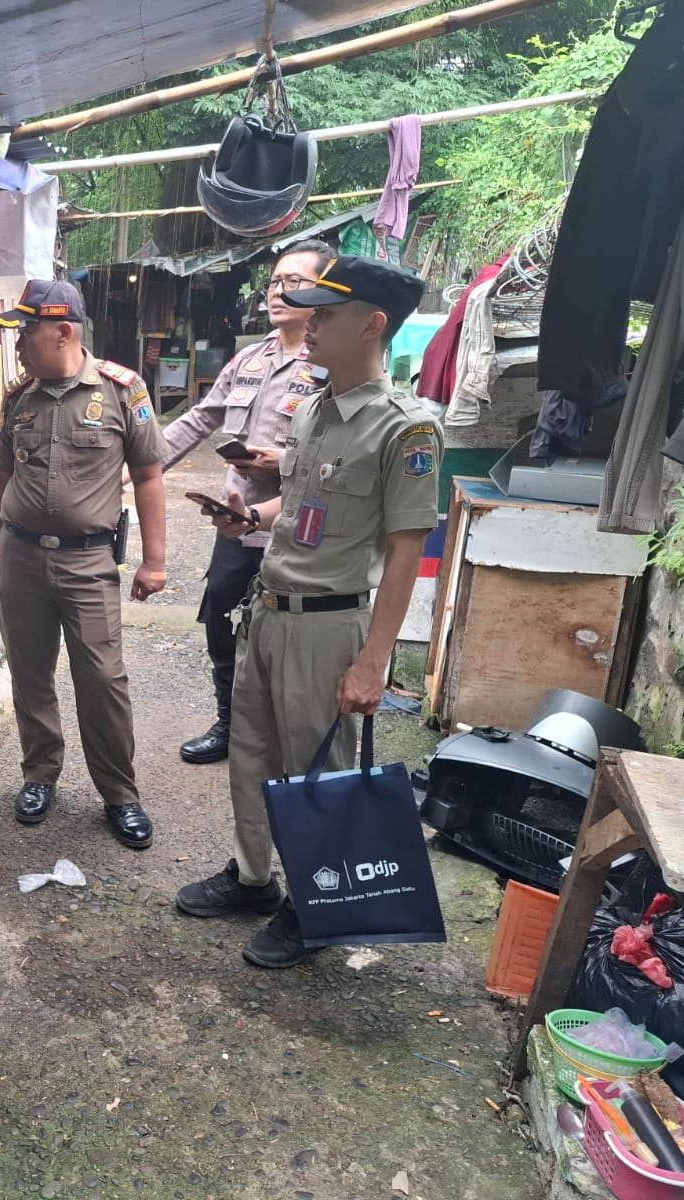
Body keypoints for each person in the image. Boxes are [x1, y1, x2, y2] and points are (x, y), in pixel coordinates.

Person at [174, 256, 441, 970]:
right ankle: (252, 877)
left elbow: (406, 551)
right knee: (253, 755)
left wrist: (373, 663)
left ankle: (313, 903)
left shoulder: (404, 429)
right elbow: (300, 507)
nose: (310, 324)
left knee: (317, 772)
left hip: (328, 625)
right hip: (267, 608)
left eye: (325, 314)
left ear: (372, 325)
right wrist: (248, 517)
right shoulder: (316, 406)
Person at [0, 280, 169, 849]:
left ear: (62, 332)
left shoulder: (122, 390)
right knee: (30, 672)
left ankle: (120, 793)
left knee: (102, 679)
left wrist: (154, 562)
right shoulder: (18, 396)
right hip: (21, 557)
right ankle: (39, 774)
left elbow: (149, 475)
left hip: (88, 563)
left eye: (26, 332)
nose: (18, 345)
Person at [161, 240, 333, 765]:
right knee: (221, 617)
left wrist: (282, 462)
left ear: (326, 290)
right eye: (275, 281)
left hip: (299, 526)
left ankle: (286, 735)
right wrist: (139, 467)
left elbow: (345, 450)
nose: (278, 291)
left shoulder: (333, 363)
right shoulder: (250, 359)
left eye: (294, 282)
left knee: (290, 632)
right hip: (237, 523)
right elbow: (199, 419)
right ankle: (230, 724)